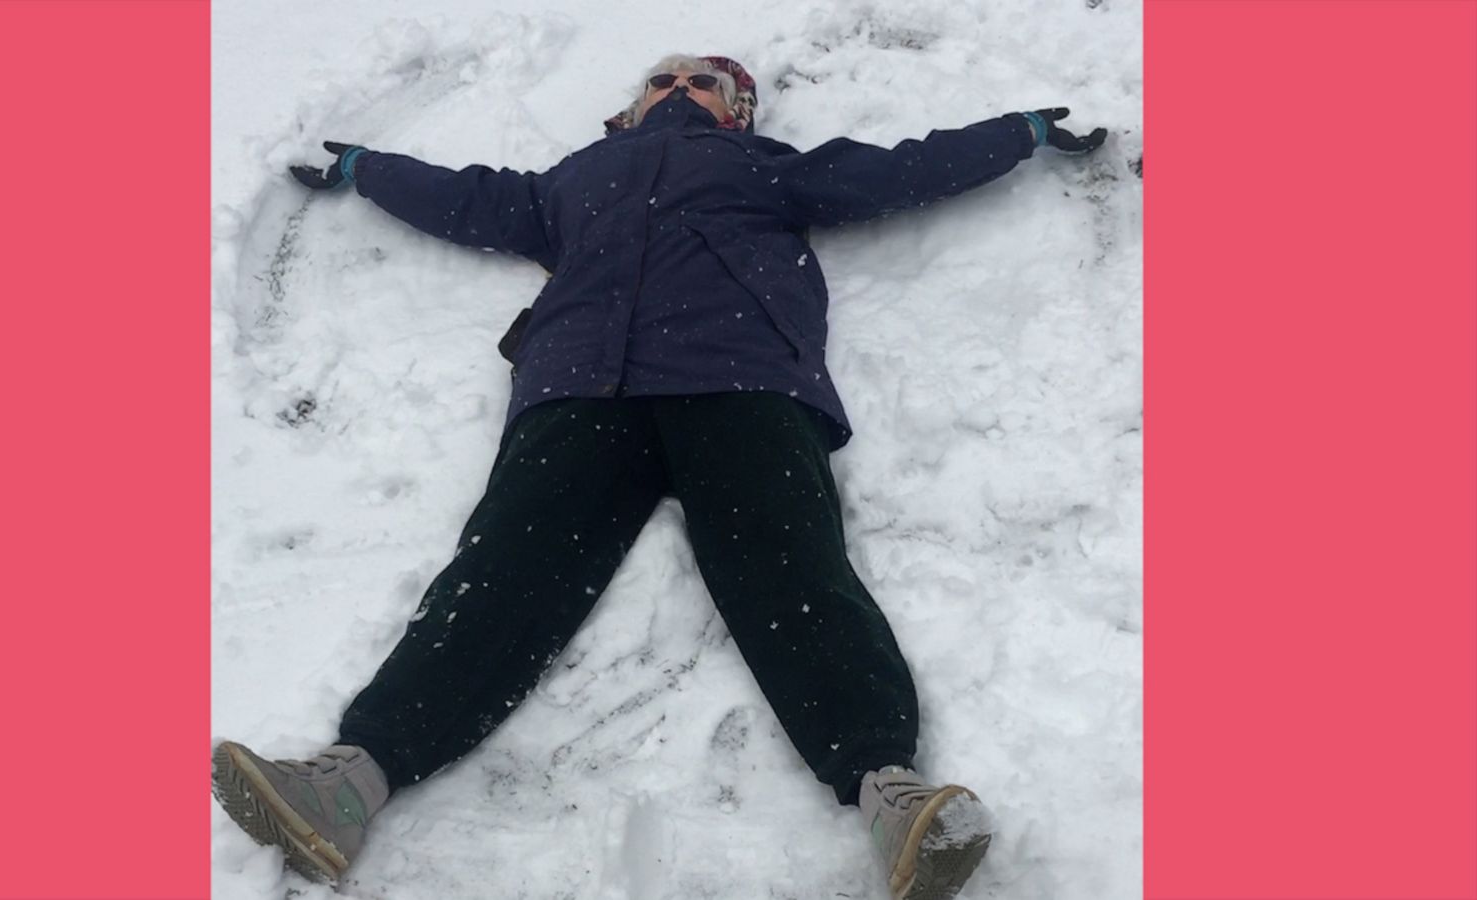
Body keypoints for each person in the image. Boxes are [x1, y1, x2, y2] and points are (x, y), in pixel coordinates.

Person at [212, 53, 1106, 900]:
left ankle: (889, 791)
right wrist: (369, 168)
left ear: (738, 107)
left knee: (791, 570)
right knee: (501, 574)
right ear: (632, 105)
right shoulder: (571, 181)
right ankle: (350, 780)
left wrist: (1016, 133)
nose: (681, 88)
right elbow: (468, 199)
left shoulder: (765, 167)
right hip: (580, 387)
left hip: (738, 378)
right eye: (663, 78)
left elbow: (898, 170)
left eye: (705, 80)